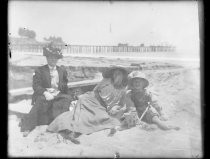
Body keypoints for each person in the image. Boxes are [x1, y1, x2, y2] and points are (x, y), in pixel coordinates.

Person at [47, 66, 131, 144]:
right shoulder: (106, 81)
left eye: (119, 74)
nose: (117, 76)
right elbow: (96, 91)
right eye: (116, 73)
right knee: (87, 116)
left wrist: (115, 107)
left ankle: (72, 133)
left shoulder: (123, 90)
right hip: (91, 99)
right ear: (113, 74)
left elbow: (121, 104)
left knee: (99, 118)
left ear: (123, 76)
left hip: (101, 106)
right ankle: (72, 133)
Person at [19, 42, 72, 136]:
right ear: (47, 58)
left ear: (57, 59)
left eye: (55, 58)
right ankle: (27, 127)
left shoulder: (62, 70)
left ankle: (61, 125)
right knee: (41, 101)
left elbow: (65, 85)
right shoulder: (40, 70)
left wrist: (65, 93)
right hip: (44, 94)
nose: (52, 59)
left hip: (57, 94)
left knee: (67, 99)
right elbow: (36, 86)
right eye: (50, 57)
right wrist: (45, 93)